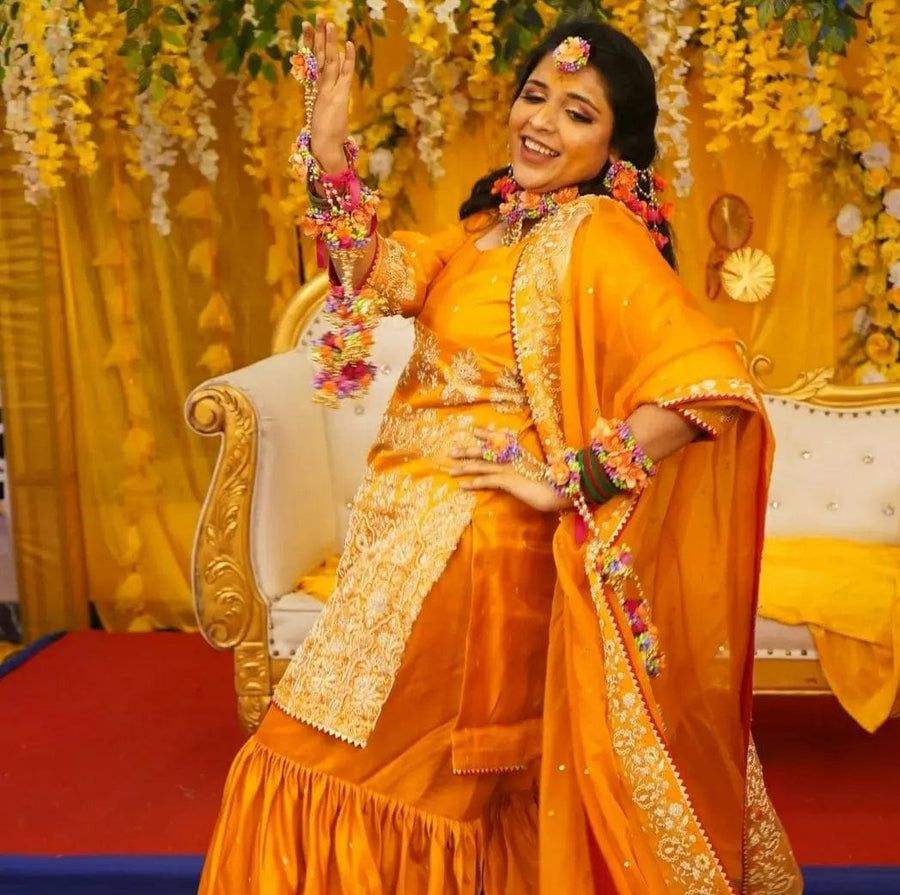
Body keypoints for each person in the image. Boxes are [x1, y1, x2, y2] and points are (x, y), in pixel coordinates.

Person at [199, 14, 803, 895]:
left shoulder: (597, 233)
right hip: (401, 543)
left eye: (577, 113)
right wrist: (328, 151)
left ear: (615, 150)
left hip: (470, 558)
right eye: (535, 96)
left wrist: (574, 480)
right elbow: (379, 273)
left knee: (333, 765)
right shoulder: (496, 223)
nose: (542, 122)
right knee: (410, 790)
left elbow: (710, 384)